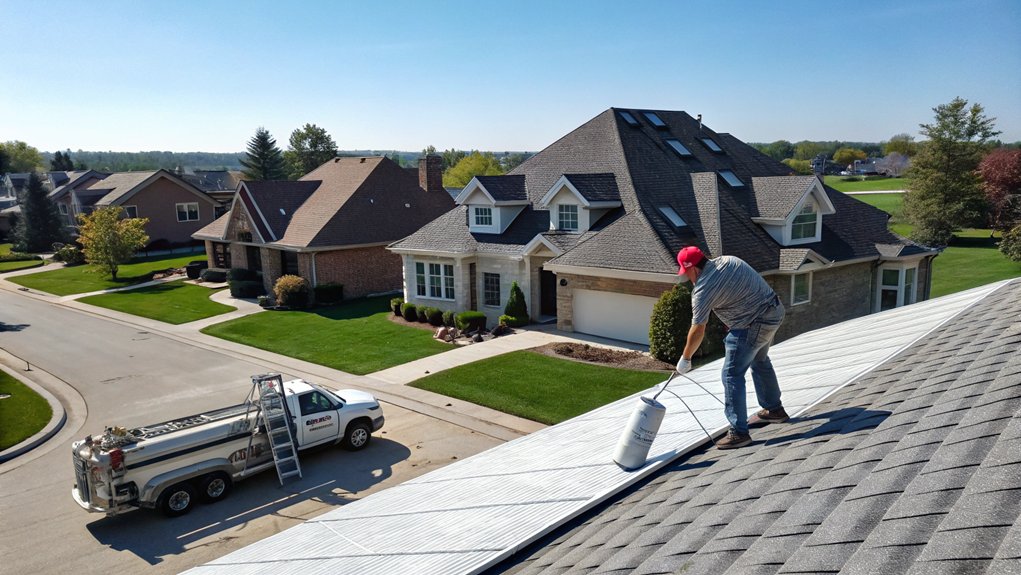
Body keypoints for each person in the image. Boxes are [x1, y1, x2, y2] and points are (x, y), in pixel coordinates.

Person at [674, 246, 788, 449]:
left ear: (693, 269)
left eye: (686, 273)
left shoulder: (703, 289)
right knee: (759, 359)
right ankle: (774, 409)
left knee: (731, 374)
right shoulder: (728, 260)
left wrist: (686, 358)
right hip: (775, 311)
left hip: (753, 324)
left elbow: (698, 328)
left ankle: (739, 433)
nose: (687, 278)